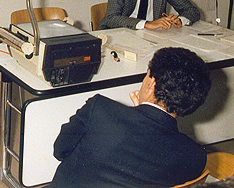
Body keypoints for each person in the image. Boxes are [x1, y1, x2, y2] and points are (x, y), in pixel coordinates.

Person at [49, 47, 212, 188]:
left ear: (151, 84)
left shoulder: (99, 110)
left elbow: (60, 151)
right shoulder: (195, 156)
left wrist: (137, 114)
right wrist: (141, 113)